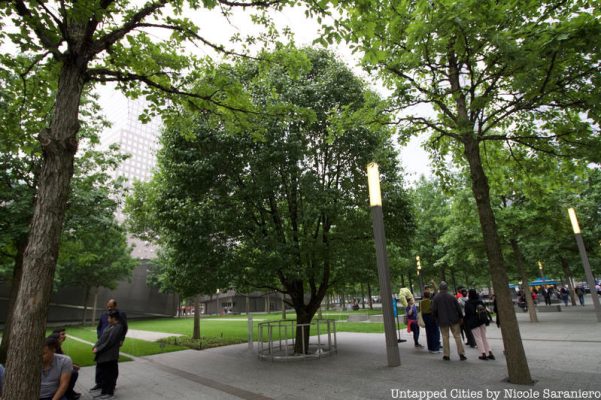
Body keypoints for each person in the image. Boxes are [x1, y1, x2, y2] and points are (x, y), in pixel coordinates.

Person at [92, 299, 128, 392]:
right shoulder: (104, 314)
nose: (108, 308)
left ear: (115, 306)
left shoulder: (120, 315)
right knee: (100, 365)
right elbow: (99, 327)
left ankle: (111, 385)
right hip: (103, 340)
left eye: (110, 307)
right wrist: (100, 336)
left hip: (112, 342)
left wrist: (121, 339)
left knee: (111, 366)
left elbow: (124, 327)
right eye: (107, 306)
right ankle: (99, 383)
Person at [432, 281, 467, 361]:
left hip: (443, 321)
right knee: (457, 336)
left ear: (440, 288)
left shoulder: (436, 298)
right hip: (454, 319)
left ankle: (446, 355)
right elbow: (458, 308)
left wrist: (436, 319)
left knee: (445, 337)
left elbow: (434, 310)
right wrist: (461, 317)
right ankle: (461, 354)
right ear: (446, 288)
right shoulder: (452, 297)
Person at [49, 328, 81, 400]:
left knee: (73, 372)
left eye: (64, 334)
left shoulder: (58, 345)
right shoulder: (53, 347)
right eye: (62, 334)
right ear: (56, 335)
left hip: (58, 368)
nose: (64, 336)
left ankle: (70, 391)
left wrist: (73, 365)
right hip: (54, 369)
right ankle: (68, 393)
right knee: (73, 373)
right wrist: (73, 366)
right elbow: (57, 361)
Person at [464, 289, 495, 361]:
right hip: (482, 320)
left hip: (473, 322)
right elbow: (484, 310)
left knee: (478, 338)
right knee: (484, 337)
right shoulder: (480, 301)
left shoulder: (468, 303)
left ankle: (483, 353)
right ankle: (489, 352)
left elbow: (467, 314)